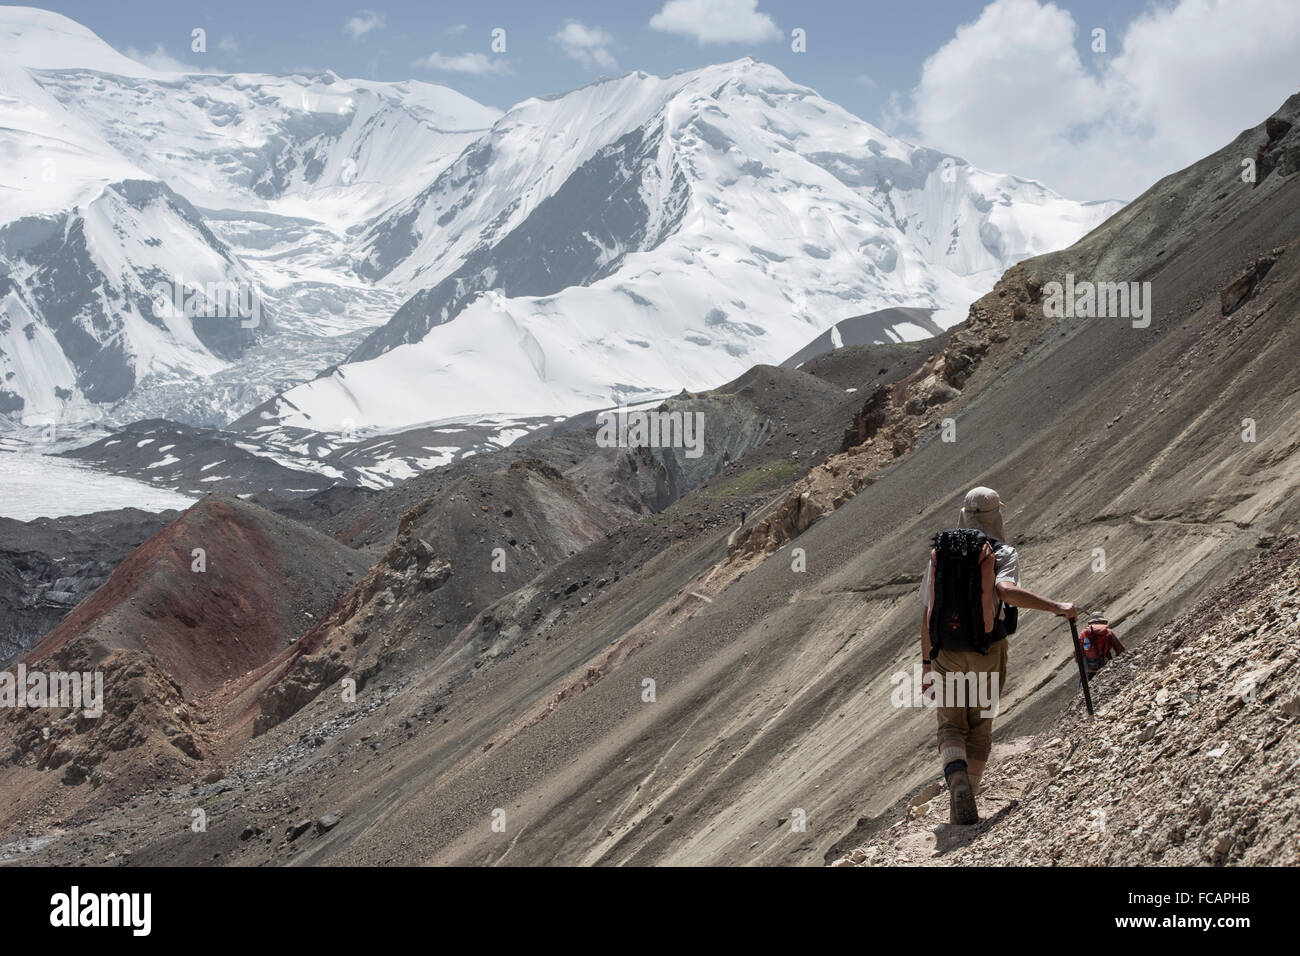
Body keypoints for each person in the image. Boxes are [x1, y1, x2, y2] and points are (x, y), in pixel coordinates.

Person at [919, 487, 1077, 824]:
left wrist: (926, 665)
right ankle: (967, 799)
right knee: (979, 727)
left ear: (964, 512)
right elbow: (1005, 591)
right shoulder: (1001, 551)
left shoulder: (942, 551)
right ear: (997, 515)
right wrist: (1055, 607)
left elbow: (927, 612)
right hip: (987, 649)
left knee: (950, 727)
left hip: (945, 651)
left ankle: (956, 780)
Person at [1079, 613, 1125, 679]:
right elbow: (1120, 649)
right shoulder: (1108, 632)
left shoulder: (1083, 633)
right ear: (1103, 622)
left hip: (1089, 667)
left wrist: (1083, 665)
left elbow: (1078, 651)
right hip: (1105, 664)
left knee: (1092, 683)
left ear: (1091, 623)